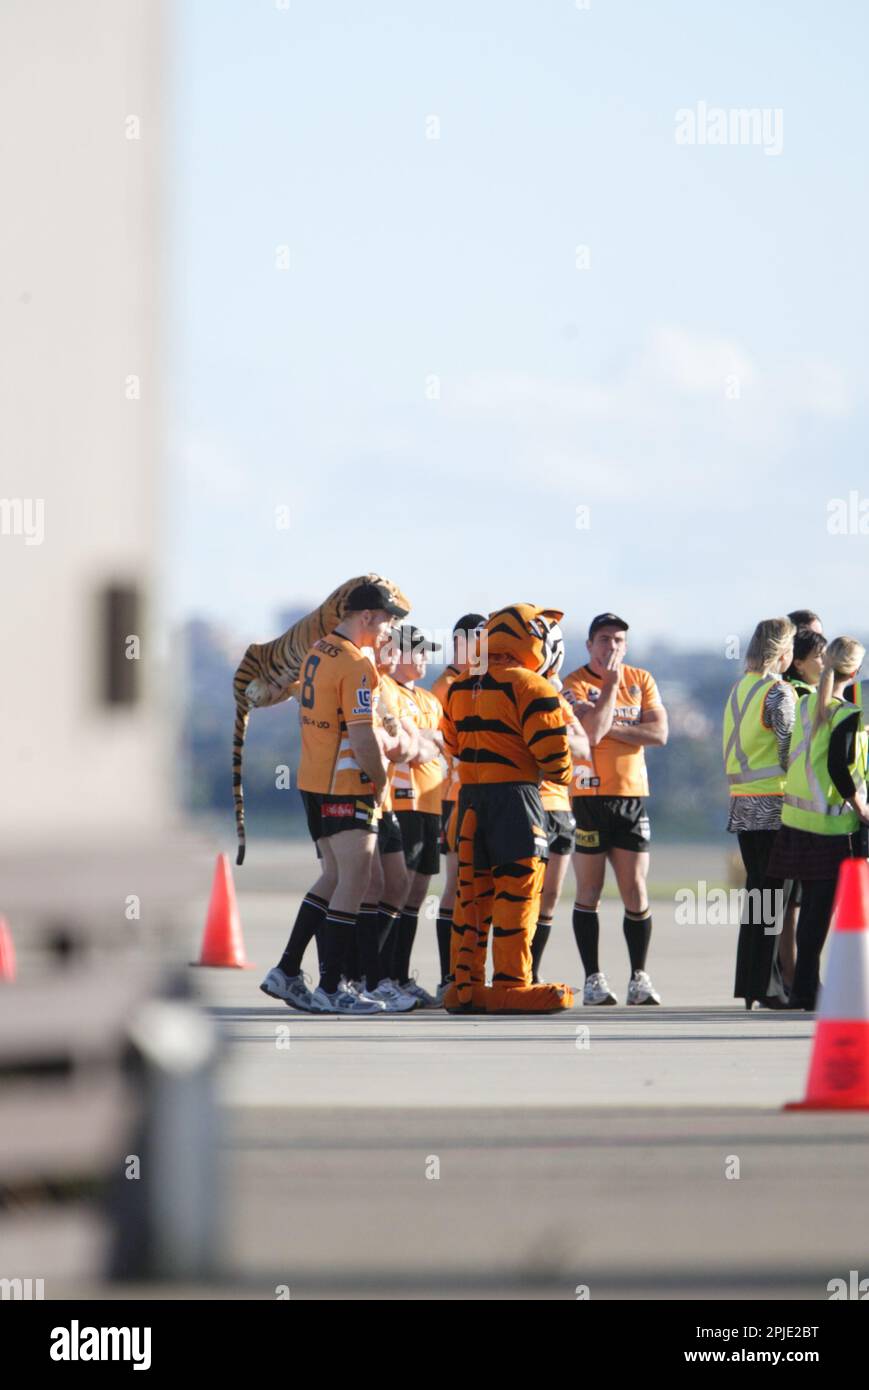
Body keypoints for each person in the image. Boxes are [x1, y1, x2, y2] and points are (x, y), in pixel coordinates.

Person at [259, 580, 409, 1014]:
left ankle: (287, 970)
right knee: (354, 881)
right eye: (386, 624)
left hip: (313, 780)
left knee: (331, 878)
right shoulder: (356, 665)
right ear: (367, 617)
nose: (387, 634)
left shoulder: (319, 650)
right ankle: (329, 986)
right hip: (345, 783)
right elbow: (362, 737)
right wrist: (380, 782)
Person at [441, 603, 574, 1013]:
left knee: (471, 898)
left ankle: (463, 984)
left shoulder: (460, 685)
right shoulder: (532, 686)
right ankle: (511, 983)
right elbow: (557, 764)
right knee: (517, 898)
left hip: (468, 802)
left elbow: (451, 746)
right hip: (516, 801)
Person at [562, 614, 668, 1006]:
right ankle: (593, 978)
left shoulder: (642, 681)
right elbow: (588, 734)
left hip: (631, 795)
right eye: (604, 639)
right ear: (589, 645)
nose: (612, 647)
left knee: (635, 890)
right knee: (589, 889)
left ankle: (639, 977)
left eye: (619, 640)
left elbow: (659, 734)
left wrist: (607, 725)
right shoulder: (572, 684)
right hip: (589, 798)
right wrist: (608, 690)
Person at [769, 638, 869, 1009]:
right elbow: (837, 768)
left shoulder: (808, 702)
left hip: (795, 822)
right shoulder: (847, 714)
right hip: (829, 829)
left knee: (809, 908)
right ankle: (808, 989)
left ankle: (803, 988)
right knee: (818, 914)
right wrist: (861, 807)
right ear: (855, 672)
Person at [723, 616, 796, 1009]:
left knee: (757, 896)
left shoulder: (739, 689)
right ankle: (767, 986)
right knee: (774, 899)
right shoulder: (777, 692)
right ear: (783, 652)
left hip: (742, 802)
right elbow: (789, 749)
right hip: (773, 804)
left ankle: (751, 983)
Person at [388, 625, 447, 1004]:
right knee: (397, 891)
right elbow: (413, 749)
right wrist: (426, 741)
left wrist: (426, 739)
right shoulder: (387, 692)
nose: (424, 658)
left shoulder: (431, 701)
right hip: (402, 801)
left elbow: (440, 744)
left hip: (431, 804)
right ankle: (381, 976)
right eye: (418, 651)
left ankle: (401, 975)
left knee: (417, 895)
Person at [429, 613, 487, 999]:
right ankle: (448, 973)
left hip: (485, 793)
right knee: (456, 886)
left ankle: (474, 970)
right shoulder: (447, 686)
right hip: (455, 797)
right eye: (479, 640)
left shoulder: (483, 681)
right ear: (460, 644)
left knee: (483, 886)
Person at [531, 624, 593, 983]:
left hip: (561, 804)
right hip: (531, 802)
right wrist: (560, 739)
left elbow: (584, 745)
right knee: (525, 890)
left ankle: (533, 971)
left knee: (551, 895)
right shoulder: (521, 688)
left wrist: (554, 738)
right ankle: (512, 969)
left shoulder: (559, 696)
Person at [778, 627, 827, 988]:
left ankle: (785, 979)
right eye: (819, 657)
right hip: (790, 814)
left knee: (788, 904)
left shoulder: (807, 694)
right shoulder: (796, 697)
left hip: (785, 811)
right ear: (797, 660)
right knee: (786, 905)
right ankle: (791, 979)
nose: (825, 664)